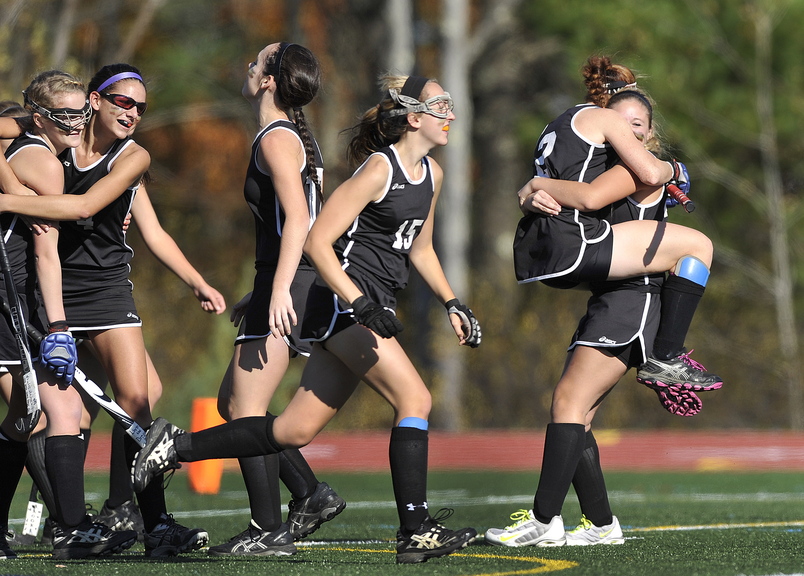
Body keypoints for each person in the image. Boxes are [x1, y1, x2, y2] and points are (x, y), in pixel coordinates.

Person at [132, 74, 482, 564]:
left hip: (369, 304)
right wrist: (358, 301)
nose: (450, 115)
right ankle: (416, 532)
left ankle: (175, 447)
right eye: (440, 105)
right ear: (414, 118)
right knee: (415, 397)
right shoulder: (379, 169)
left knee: (294, 431)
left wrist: (452, 303)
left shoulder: (434, 176)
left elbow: (419, 247)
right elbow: (317, 242)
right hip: (341, 303)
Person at [485, 56, 716, 548]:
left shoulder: (637, 172)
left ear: (648, 136)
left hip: (635, 301)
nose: (626, 131)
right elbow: (580, 194)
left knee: (569, 403)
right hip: (615, 297)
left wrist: (538, 185)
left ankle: (544, 519)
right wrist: (532, 196)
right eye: (621, 121)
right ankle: (602, 523)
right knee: (578, 412)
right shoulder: (605, 160)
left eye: (637, 126)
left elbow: (590, 197)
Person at [0, 63, 209, 557]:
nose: (132, 112)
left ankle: (139, 518)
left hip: (102, 294)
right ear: (97, 100)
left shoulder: (129, 157)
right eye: (123, 102)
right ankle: (74, 524)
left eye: (140, 106)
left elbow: (93, 213)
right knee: (45, 415)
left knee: (136, 402)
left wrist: (197, 280)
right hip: (43, 295)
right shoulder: (47, 145)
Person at [207, 41, 345, 557]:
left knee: (246, 410)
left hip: (292, 279)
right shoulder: (287, 135)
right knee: (232, 404)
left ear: (268, 80)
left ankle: (267, 531)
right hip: (286, 276)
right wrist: (262, 287)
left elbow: (301, 220)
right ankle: (310, 494)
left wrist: (281, 286)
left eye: (256, 61)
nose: (247, 65)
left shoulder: (276, 137)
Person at [0, 70, 138, 560]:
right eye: (66, 115)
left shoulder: (31, 147)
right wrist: (58, 326)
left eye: (82, 110)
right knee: (61, 411)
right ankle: (72, 530)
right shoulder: (47, 163)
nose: (78, 122)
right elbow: (45, 251)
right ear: (39, 118)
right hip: (11, 299)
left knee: (24, 417)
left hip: (13, 296)